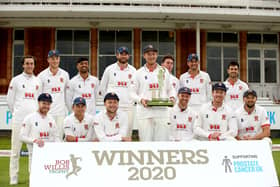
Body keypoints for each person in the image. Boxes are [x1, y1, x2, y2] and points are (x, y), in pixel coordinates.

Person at [7, 55, 41, 185]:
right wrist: (17, 113)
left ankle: (33, 177)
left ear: (34, 65)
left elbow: (38, 101)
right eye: (27, 63)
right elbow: (10, 101)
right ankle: (13, 178)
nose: (30, 66)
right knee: (15, 150)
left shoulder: (38, 81)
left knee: (33, 151)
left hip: (33, 122)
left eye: (32, 63)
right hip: (18, 120)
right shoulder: (15, 80)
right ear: (23, 65)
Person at [130, 45, 176, 141]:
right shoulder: (138, 73)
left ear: (157, 55)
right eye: (149, 54)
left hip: (161, 111)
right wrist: (141, 100)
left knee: (162, 140)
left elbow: (170, 88)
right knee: (146, 141)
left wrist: (172, 97)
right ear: (144, 56)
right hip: (145, 111)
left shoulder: (164, 71)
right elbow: (131, 93)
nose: (151, 56)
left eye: (153, 54)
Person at [99, 46, 136, 136]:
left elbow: (136, 88)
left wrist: (132, 101)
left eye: (125, 54)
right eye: (121, 54)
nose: (123, 56)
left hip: (128, 107)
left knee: (127, 133)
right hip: (114, 107)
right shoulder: (109, 69)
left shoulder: (133, 70)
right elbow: (102, 87)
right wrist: (109, 102)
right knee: (112, 132)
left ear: (128, 56)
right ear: (117, 55)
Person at [20, 93, 60, 173]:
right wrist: (35, 141)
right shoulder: (29, 118)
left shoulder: (51, 119)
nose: (46, 106)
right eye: (44, 103)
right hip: (35, 157)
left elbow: (56, 137)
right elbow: (21, 136)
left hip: (49, 158)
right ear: (38, 103)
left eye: (48, 104)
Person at [38, 50, 70, 140]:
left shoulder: (65, 74)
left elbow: (67, 94)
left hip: (61, 113)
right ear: (48, 60)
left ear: (59, 59)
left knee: (58, 137)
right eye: (52, 58)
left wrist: (68, 109)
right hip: (48, 112)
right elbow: (38, 96)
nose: (55, 61)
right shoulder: (42, 76)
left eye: (57, 58)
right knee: (46, 138)